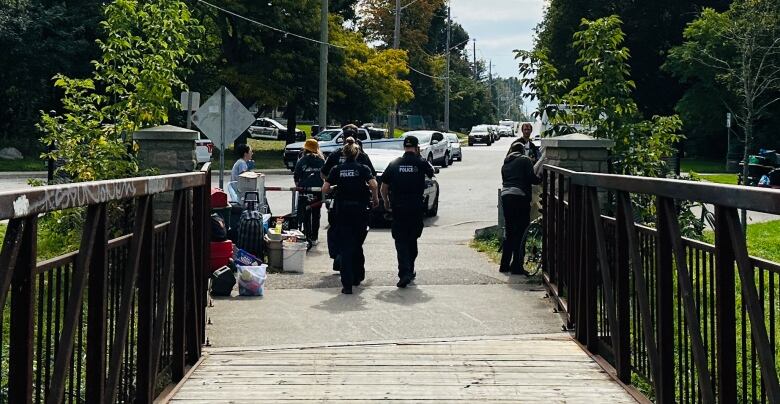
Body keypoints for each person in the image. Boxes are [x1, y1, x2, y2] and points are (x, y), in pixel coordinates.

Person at [322, 139, 379, 294]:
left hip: (343, 211)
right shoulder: (363, 168)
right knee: (357, 243)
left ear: (344, 154)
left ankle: (347, 284)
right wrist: (375, 198)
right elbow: (373, 185)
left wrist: (335, 186)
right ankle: (358, 275)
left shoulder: (337, 169)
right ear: (357, 153)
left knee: (346, 246)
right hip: (360, 210)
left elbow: (325, 189)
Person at [380, 135, 435, 288]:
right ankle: (409, 269)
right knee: (412, 239)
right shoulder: (421, 162)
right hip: (416, 208)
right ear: (417, 148)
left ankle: (404, 272)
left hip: (398, 208)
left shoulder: (395, 163)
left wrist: (386, 202)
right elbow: (432, 173)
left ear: (404, 147)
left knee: (400, 241)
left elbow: (383, 187)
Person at [500, 141, 542, 275]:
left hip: (506, 197)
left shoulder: (505, 163)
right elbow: (531, 178)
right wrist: (541, 177)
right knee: (521, 231)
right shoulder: (525, 160)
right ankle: (517, 266)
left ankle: (504, 265)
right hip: (520, 197)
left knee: (510, 230)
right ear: (522, 150)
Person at [294, 139, 325, 249]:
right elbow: (325, 176)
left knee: (305, 214)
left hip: (304, 190)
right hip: (318, 191)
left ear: (305, 148)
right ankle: (314, 237)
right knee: (316, 214)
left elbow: (296, 176)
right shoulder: (321, 160)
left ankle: (306, 235)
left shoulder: (301, 160)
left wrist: (300, 187)